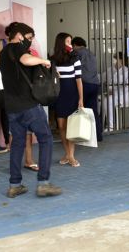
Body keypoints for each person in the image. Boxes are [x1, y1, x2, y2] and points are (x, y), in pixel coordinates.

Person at [0, 22, 61, 198]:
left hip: (11, 107)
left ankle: (14, 185)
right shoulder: (16, 48)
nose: (30, 43)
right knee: (46, 138)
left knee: (17, 143)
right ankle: (43, 183)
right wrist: (44, 61)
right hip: (28, 105)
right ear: (19, 35)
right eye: (29, 38)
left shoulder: (3, 52)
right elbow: (25, 59)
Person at [0, 31, 37, 170]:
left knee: (28, 131)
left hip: (28, 96)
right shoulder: (4, 48)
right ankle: (15, 165)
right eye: (26, 37)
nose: (28, 40)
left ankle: (28, 160)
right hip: (12, 95)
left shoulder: (28, 50)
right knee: (15, 132)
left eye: (30, 38)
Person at [50, 33, 84, 167]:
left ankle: (71, 155)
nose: (70, 44)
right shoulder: (53, 59)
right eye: (68, 41)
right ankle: (67, 154)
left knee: (72, 127)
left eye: (70, 41)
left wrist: (81, 98)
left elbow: (79, 80)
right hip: (59, 94)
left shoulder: (75, 58)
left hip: (72, 94)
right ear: (61, 43)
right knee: (62, 127)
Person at [72, 36, 102, 142]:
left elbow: (74, 67)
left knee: (80, 110)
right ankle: (98, 135)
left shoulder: (77, 53)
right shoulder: (91, 53)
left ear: (75, 45)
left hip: (84, 84)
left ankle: (81, 135)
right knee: (93, 111)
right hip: (95, 84)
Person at [104, 52, 129, 131]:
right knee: (99, 100)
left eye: (116, 58)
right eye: (114, 58)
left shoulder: (127, 72)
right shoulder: (110, 69)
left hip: (122, 96)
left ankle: (111, 126)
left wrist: (114, 92)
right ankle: (100, 124)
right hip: (110, 94)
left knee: (107, 101)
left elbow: (128, 86)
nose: (114, 60)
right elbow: (102, 77)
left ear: (121, 60)